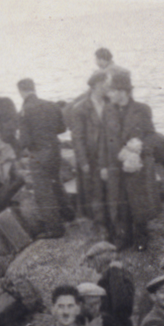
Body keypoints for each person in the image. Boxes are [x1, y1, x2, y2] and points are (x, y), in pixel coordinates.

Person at [102, 70, 158, 251]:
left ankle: (142, 237)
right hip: (115, 163)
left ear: (122, 91)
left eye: (112, 91)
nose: (109, 95)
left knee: (138, 202)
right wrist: (103, 165)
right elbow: (103, 140)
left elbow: (151, 136)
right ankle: (124, 237)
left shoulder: (142, 109)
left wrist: (140, 147)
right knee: (120, 202)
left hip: (136, 166)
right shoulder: (108, 111)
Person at [17, 78, 71, 237]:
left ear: (21, 91)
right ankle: (68, 214)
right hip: (55, 149)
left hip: (39, 153)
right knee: (56, 183)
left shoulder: (25, 110)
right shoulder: (51, 104)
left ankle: (55, 228)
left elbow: (25, 140)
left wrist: (19, 148)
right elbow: (62, 128)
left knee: (43, 191)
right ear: (34, 88)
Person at [70, 70, 110, 228]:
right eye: (103, 85)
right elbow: (77, 137)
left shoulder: (110, 103)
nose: (106, 88)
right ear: (95, 86)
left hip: (109, 153)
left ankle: (111, 222)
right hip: (91, 156)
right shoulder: (81, 108)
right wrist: (83, 161)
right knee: (95, 191)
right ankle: (99, 225)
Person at [86, 241, 135, 326]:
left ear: (101, 258)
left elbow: (120, 305)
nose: (91, 266)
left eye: (92, 260)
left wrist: (115, 272)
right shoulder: (109, 275)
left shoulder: (116, 274)